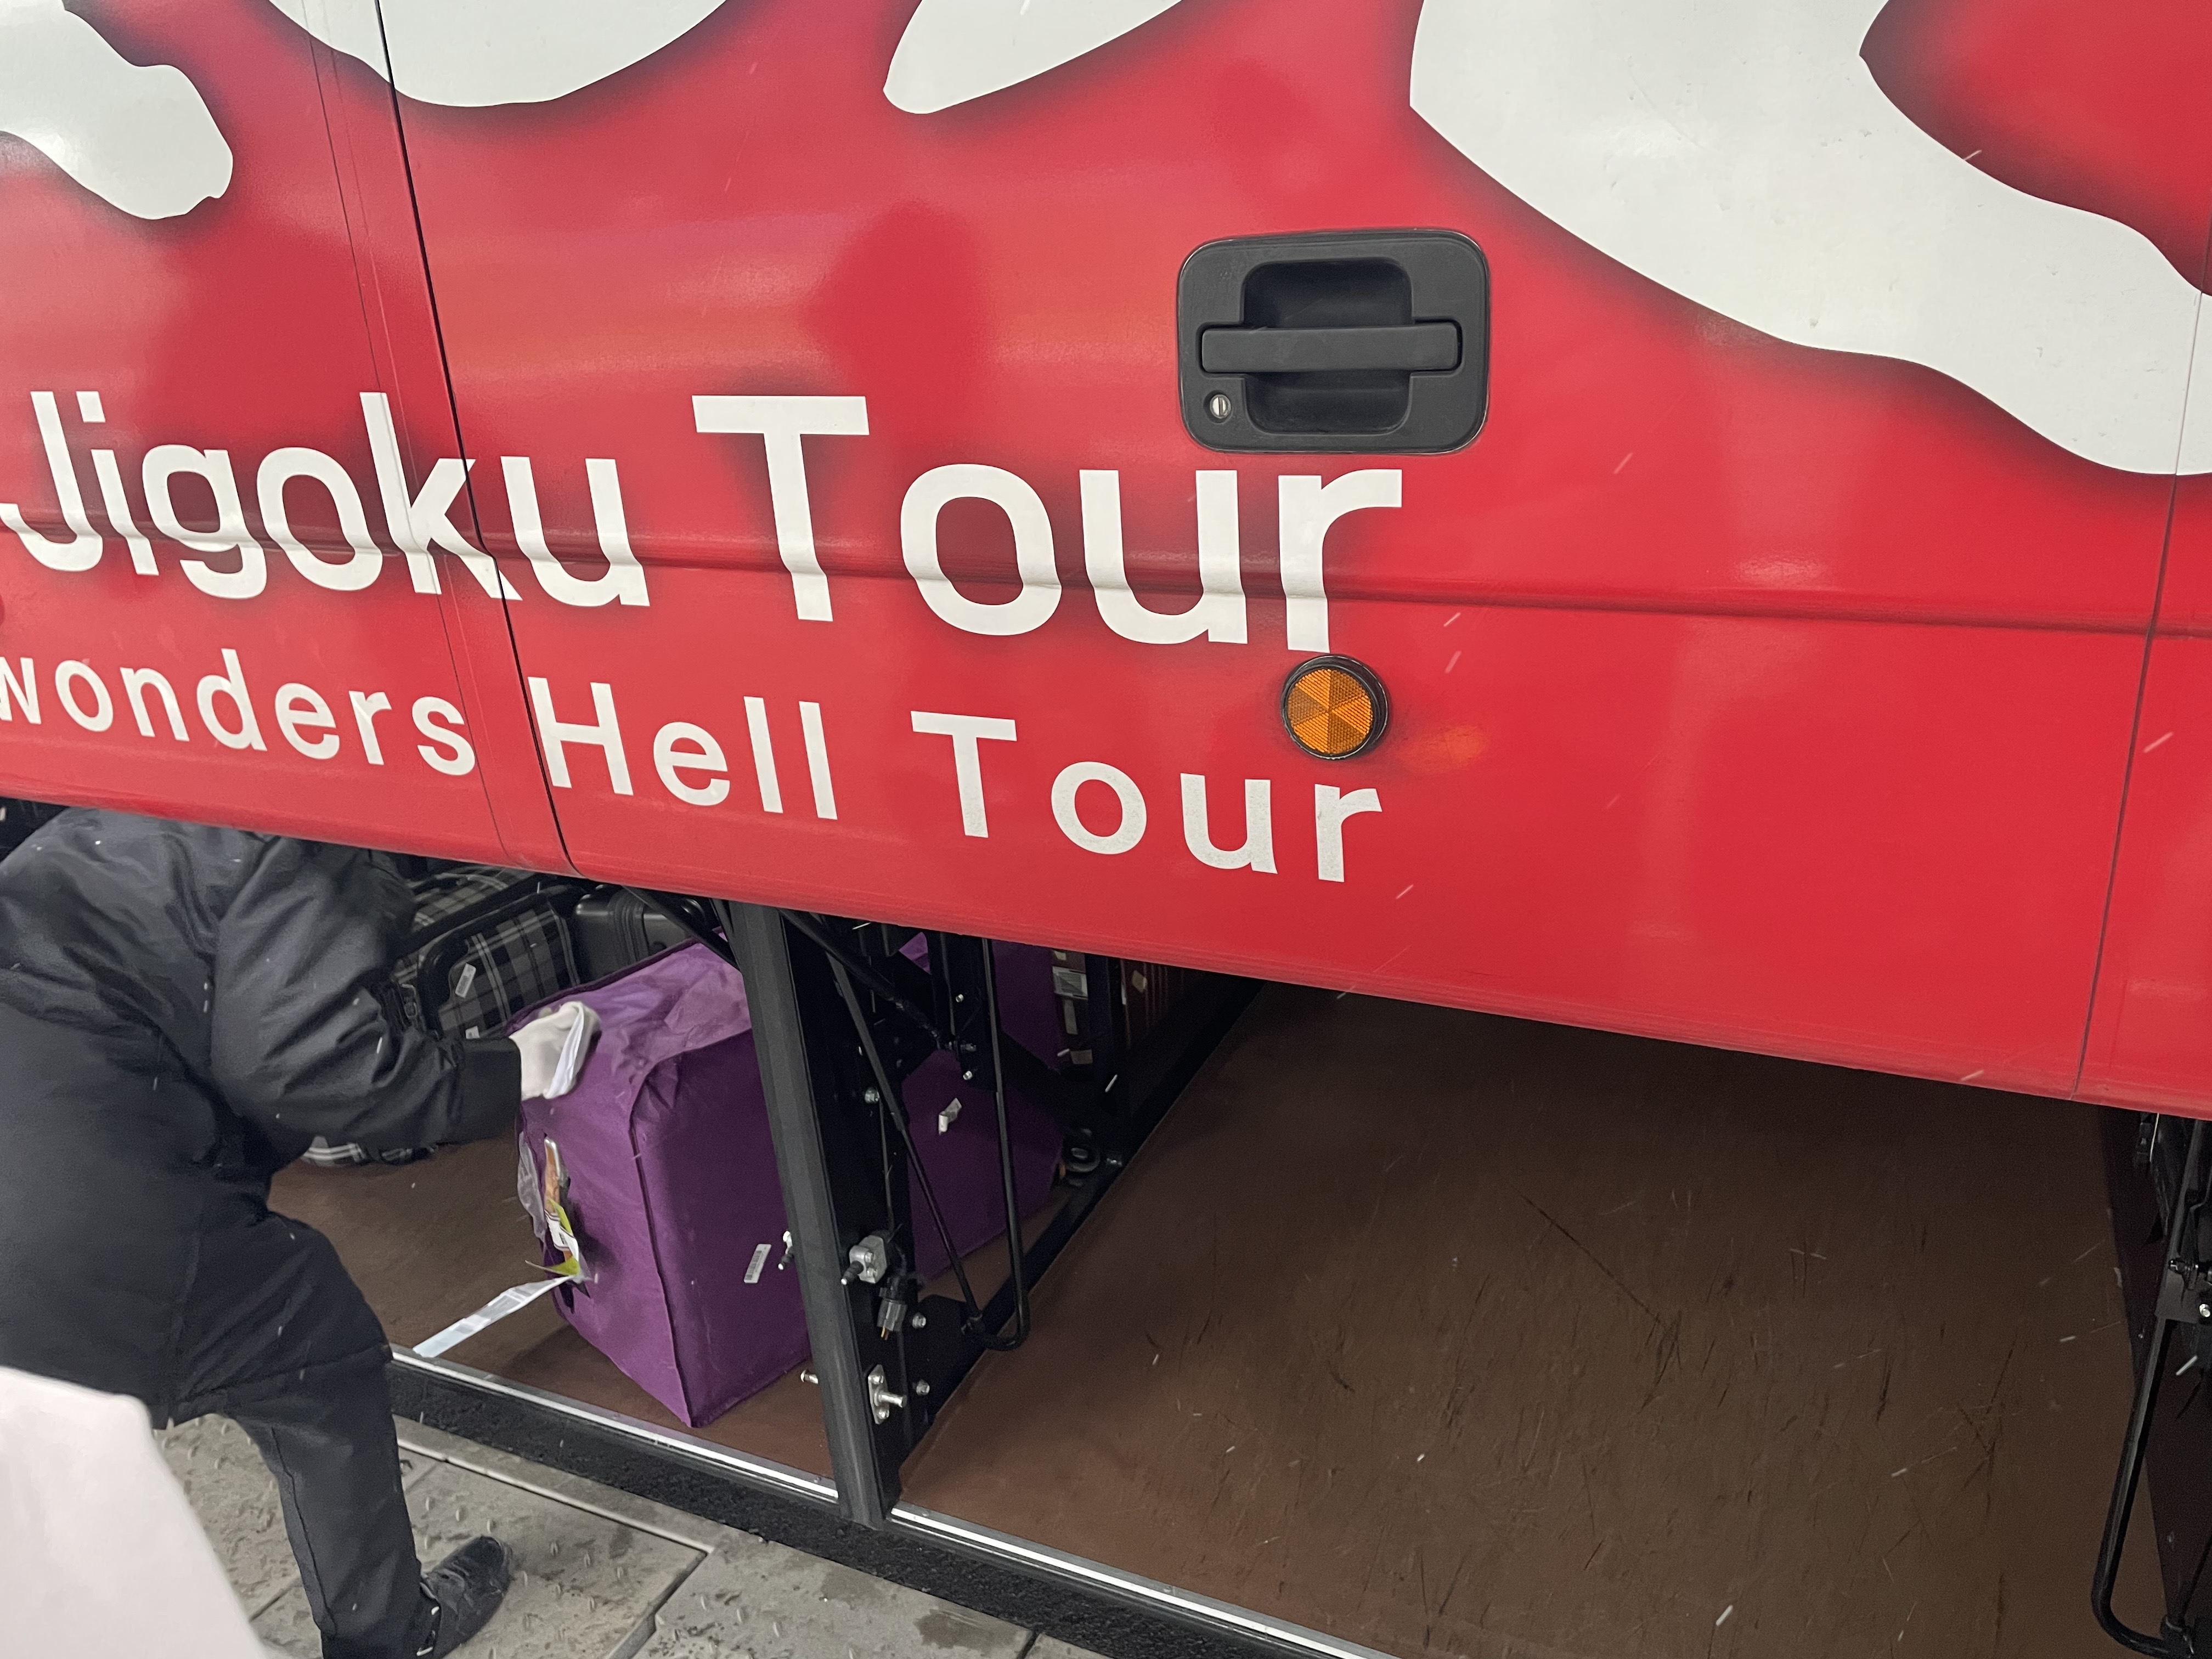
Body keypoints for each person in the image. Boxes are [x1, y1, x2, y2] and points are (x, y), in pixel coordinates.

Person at [0, 808, 591, 1658]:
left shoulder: (108, 807)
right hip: (70, 1208)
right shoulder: (294, 830)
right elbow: (313, 1070)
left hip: (47, 1137)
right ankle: (387, 1635)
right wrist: (509, 1071)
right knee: (313, 1348)